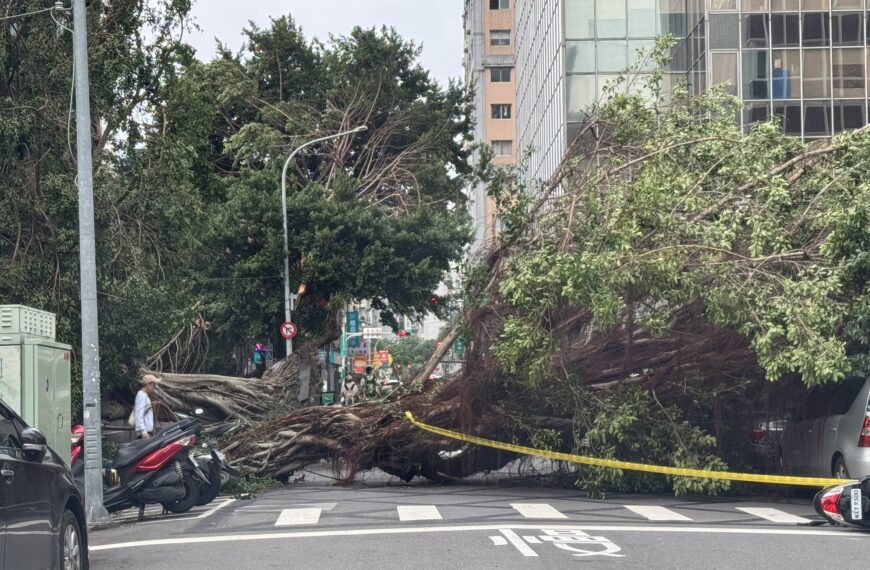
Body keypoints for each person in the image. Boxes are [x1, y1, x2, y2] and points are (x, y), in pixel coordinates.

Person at [134, 374, 160, 439]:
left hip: (147, 431)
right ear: (148, 384)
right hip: (145, 433)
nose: (154, 387)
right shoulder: (141, 395)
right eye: (153, 385)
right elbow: (139, 414)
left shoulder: (144, 395)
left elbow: (143, 408)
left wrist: (150, 404)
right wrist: (144, 432)